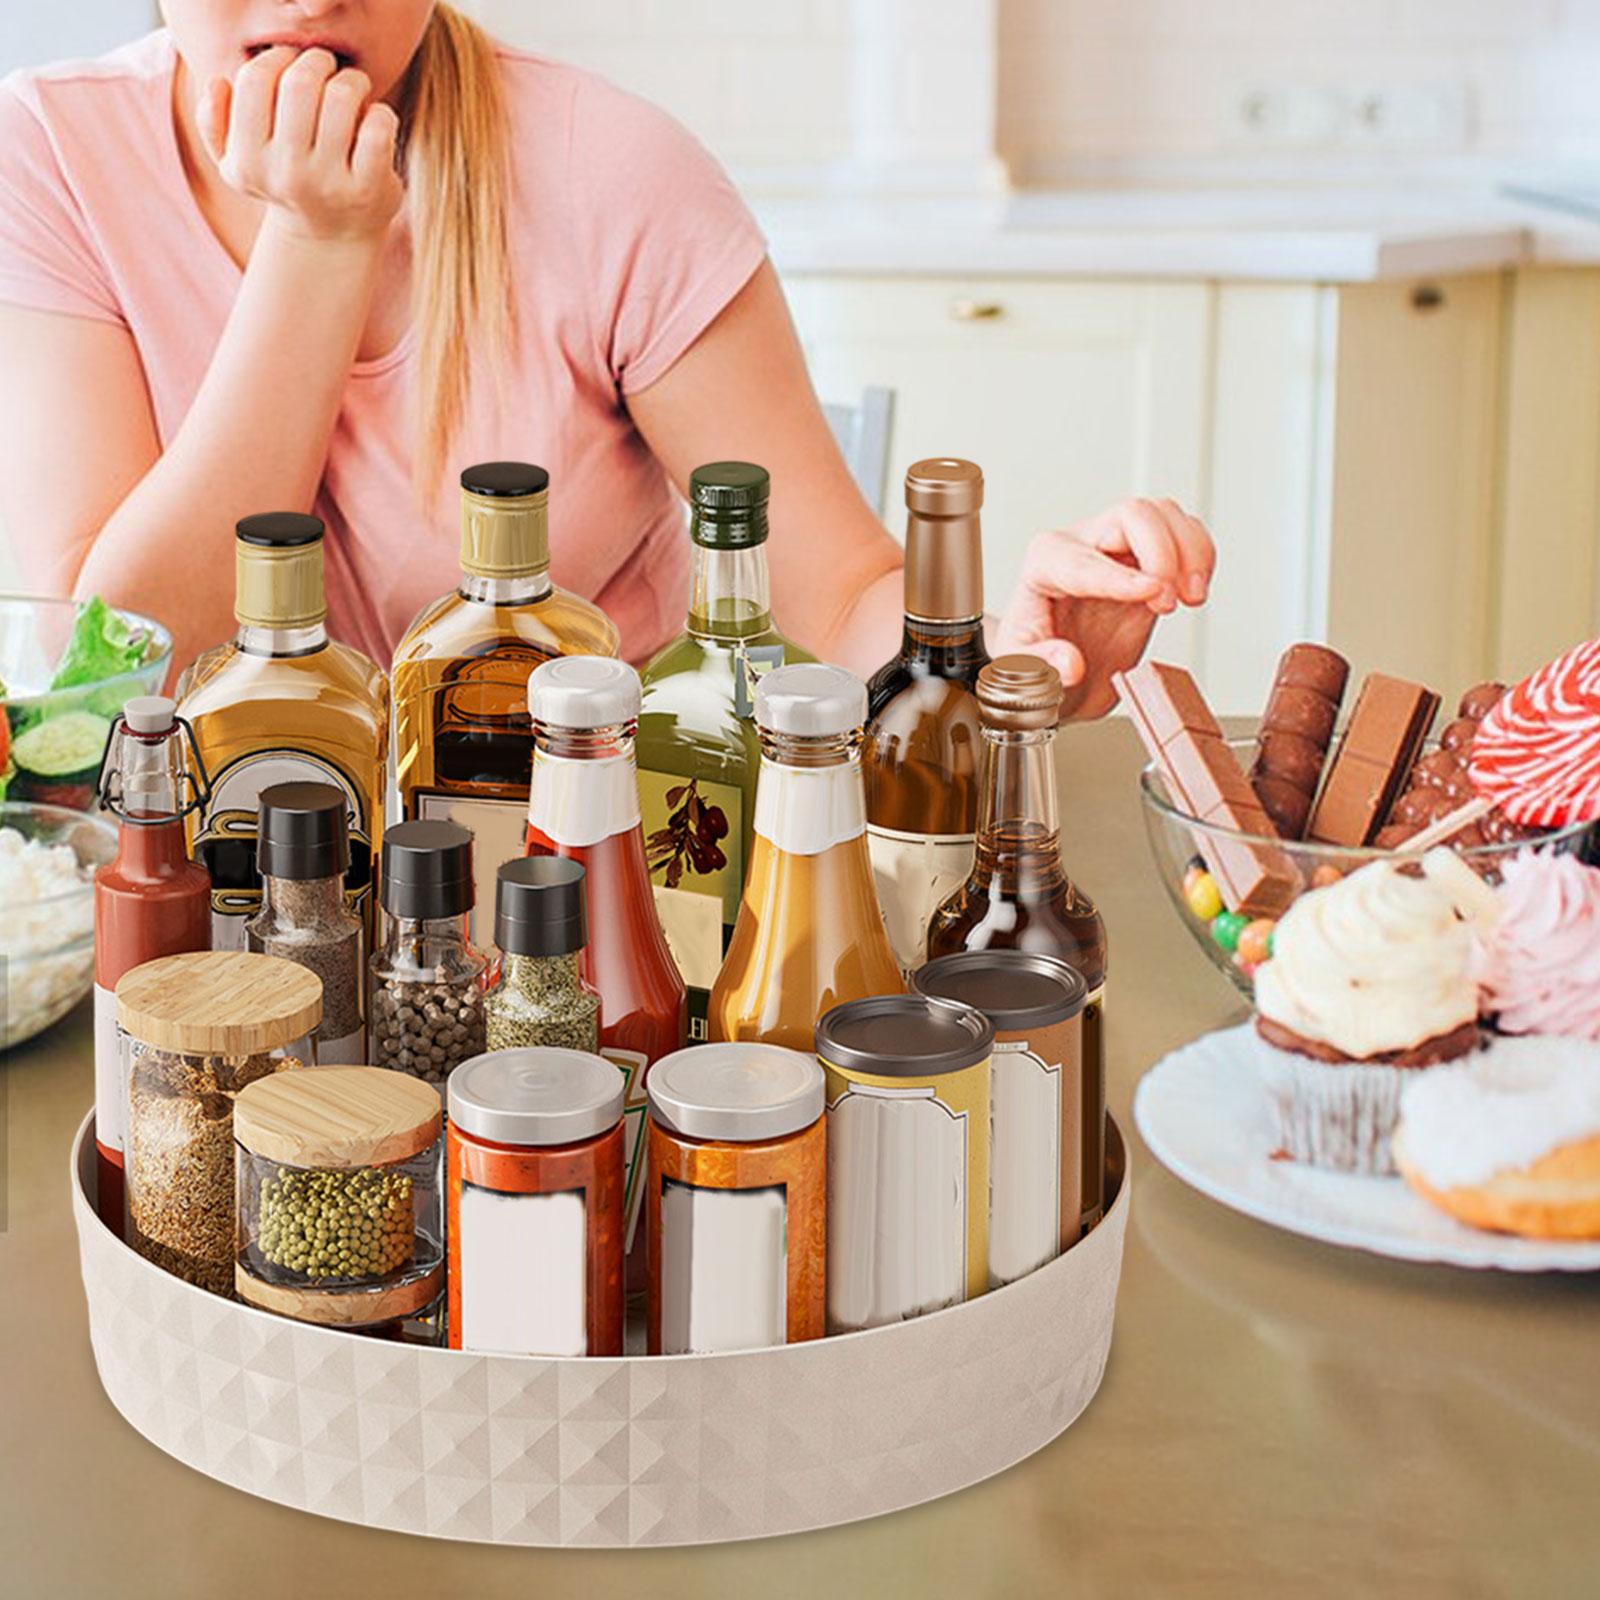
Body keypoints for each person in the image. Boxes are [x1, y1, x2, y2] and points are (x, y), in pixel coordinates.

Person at [0, 3, 1214, 716]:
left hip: (585, 884)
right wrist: (321, 246)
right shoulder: (48, 154)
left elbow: (838, 596)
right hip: (213, 911)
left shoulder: (613, 170)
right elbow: (109, 674)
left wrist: (992, 650)